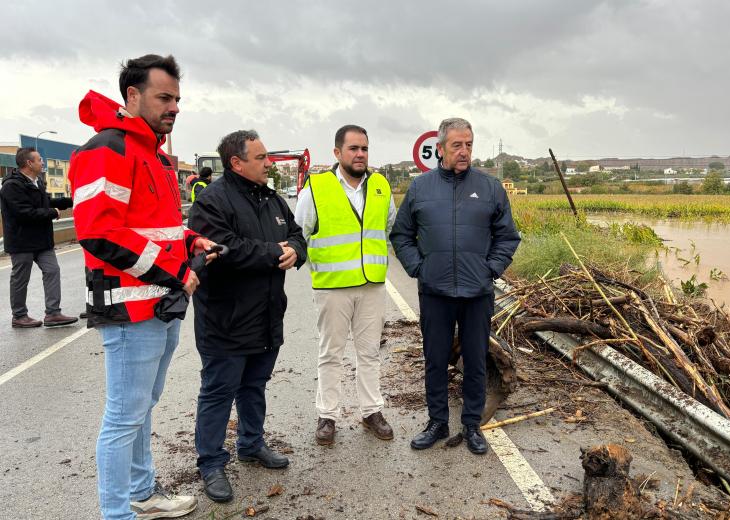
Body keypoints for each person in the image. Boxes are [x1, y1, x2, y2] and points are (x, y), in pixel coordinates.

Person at [68, 54, 216, 520]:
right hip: (131, 308)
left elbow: (160, 227)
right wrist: (174, 273)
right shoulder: (107, 149)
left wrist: (192, 240)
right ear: (132, 97)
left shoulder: (151, 154)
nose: (174, 107)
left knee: (141, 408)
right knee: (123, 417)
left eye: (177, 99)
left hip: (160, 305)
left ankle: (141, 493)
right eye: (164, 97)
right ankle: (119, 513)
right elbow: (98, 232)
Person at [188, 130, 306, 503]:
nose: (268, 163)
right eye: (261, 157)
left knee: (255, 386)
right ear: (236, 163)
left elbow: (297, 235)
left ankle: (251, 444)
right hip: (226, 318)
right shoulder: (212, 202)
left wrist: (296, 253)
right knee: (219, 391)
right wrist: (275, 252)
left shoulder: (271, 199)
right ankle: (210, 462)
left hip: (266, 315)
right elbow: (225, 249)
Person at [390, 117, 520, 455]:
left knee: (476, 360)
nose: (464, 152)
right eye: (457, 145)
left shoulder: (490, 188)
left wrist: (490, 268)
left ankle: (472, 425)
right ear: (441, 147)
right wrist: (419, 267)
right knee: (434, 359)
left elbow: (508, 236)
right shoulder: (421, 188)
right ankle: (437, 422)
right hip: (435, 292)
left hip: (477, 293)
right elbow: (401, 235)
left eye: (469, 145)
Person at [294, 125, 396, 446]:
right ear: (338, 153)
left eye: (364, 148)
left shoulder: (380, 185)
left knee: (368, 353)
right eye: (353, 149)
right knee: (331, 353)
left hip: (371, 286)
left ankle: (371, 411)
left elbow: (389, 227)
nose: (360, 154)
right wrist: (320, 268)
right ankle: (328, 415)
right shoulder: (317, 187)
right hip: (333, 288)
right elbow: (300, 233)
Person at [1, 148, 79, 328]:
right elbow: (23, 212)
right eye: (39, 160)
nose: (42, 162)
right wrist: (52, 213)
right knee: (21, 279)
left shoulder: (38, 182)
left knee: (52, 271)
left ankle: (53, 313)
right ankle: (19, 316)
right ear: (29, 163)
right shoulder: (11, 186)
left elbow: (45, 202)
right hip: (22, 242)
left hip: (42, 241)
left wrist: (71, 199)